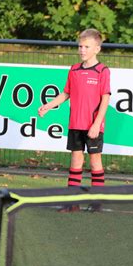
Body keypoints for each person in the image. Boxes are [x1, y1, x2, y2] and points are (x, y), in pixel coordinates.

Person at [38, 28, 111, 211]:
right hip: (75, 124)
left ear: (97, 49)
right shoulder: (74, 69)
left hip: (93, 126)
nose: (82, 50)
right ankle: (72, 203)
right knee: (76, 161)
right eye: (80, 46)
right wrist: (49, 105)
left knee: (95, 162)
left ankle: (96, 203)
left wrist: (96, 124)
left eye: (87, 46)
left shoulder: (102, 71)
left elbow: (105, 99)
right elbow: (66, 93)